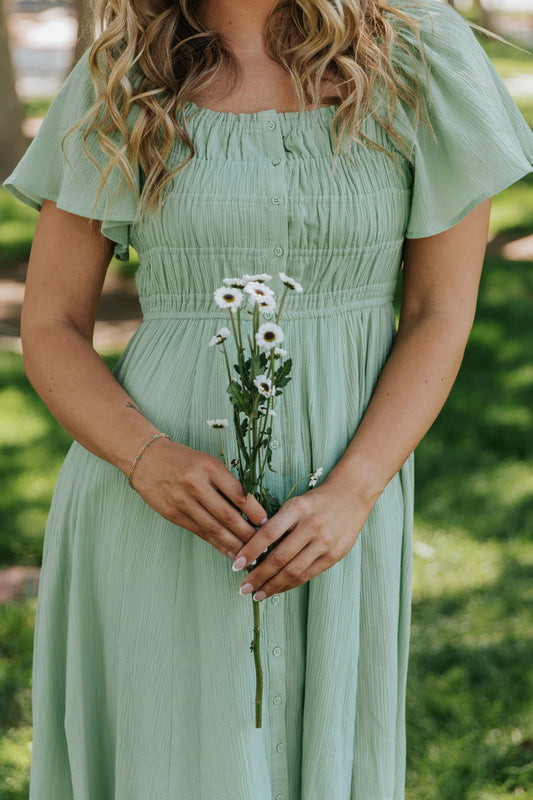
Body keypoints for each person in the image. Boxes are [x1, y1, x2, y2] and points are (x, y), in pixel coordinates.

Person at [3, 0, 533, 796]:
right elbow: (50, 322)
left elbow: (438, 311)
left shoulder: (420, 57)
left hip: (345, 498)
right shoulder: (126, 74)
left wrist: (353, 493)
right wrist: (145, 459)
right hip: (151, 499)